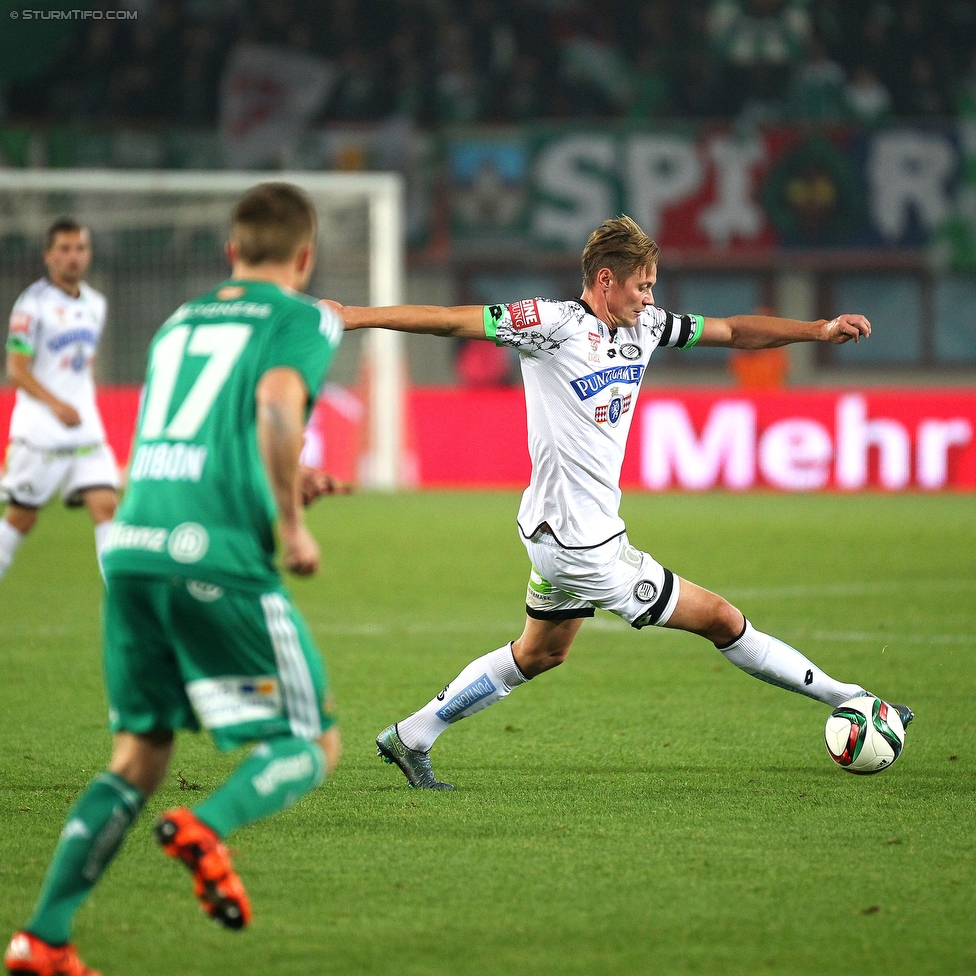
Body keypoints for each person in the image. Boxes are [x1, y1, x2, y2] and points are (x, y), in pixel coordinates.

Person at [334, 214, 913, 791]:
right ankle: (851, 698)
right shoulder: (550, 325)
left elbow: (734, 332)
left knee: (539, 653)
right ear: (605, 280)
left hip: (554, 534)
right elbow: (451, 321)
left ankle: (410, 736)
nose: (650, 297)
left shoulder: (647, 326)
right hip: (582, 545)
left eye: (654, 285)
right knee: (721, 619)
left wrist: (817, 330)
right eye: (643, 285)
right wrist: (354, 316)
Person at [4, 182, 344, 976]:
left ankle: (43, 938)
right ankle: (210, 827)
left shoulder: (178, 320)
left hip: (131, 547)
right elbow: (275, 398)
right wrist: (291, 522)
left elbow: (195, 438)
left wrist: (287, 481)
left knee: (139, 755)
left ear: (231, 252)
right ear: (305, 256)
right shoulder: (304, 316)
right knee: (310, 741)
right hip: (213, 555)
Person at [1, 219, 119, 583]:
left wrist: (81, 401)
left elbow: (83, 365)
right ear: (49, 256)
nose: (73, 257)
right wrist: (55, 404)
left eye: (80, 248)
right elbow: (16, 370)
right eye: (65, 249)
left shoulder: (96, 304)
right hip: (42, 434)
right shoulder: (31, 306)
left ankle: (122, 604)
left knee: (107, 507)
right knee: (22, 517)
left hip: (85, 432)